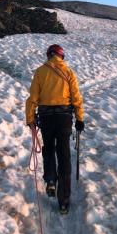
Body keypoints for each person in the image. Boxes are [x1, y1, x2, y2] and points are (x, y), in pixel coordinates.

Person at [25, 44, 84, 214]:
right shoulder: (69, 72)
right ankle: (64, 201)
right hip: (64, 118)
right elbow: (77, 99)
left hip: (46, 118)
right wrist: (79, 119)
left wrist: (30, 120)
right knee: (64, 154)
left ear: (49, 55)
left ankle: (50, 179)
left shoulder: (40, 72)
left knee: (48, 149)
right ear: (61, 56)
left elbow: (32, 99)